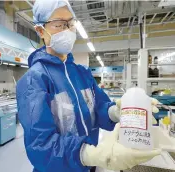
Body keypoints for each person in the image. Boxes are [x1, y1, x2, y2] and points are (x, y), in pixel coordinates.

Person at [16, 0, 161, 172]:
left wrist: (116, 112)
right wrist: (90, 154)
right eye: (59, 24)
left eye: (70, 23)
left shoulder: (81, 73)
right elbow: (40, 146)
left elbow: (98, 108)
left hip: (87, 166)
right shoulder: (34, 80)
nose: (67, 30)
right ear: (41, 30)